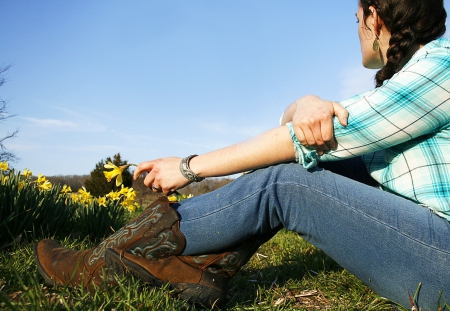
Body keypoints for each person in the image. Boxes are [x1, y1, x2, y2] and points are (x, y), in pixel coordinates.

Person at [34, 0, 450, 309]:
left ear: (374, 17)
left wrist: (187, 168)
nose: (356, 28)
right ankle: (200, 268)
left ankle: (106, 261)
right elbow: (307, 134)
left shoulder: (440, 67)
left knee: (286, 185)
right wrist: (305, 101)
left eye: (356, 19)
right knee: (300, 165)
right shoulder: (413, 81)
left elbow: (296, 141)